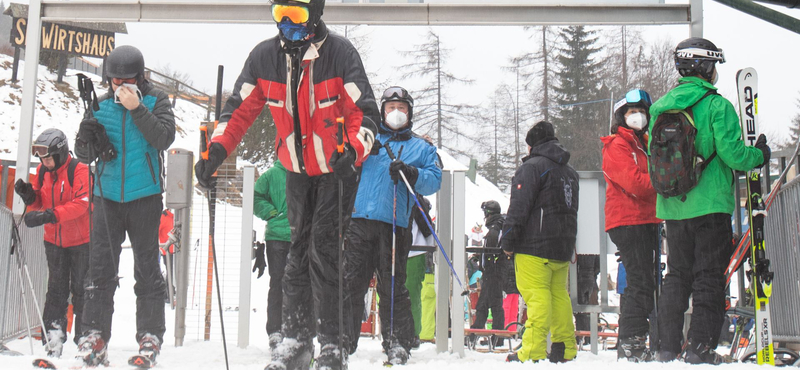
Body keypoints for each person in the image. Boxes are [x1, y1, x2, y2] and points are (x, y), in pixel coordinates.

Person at [193, 1, 380, 368]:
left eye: (294, 15)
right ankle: (296, 340)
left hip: (334, 169)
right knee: (296, 253)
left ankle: (333, 343)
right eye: (279, 14)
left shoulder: (340, 54)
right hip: (295, 170)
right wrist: (216, 152)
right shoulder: (265, 58)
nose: (285, 25)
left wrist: (354, 151)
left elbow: (367, 113)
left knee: (324, 250)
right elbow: (238, 110)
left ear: (314, 15)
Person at [648, 37, 769, 364]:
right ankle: (700, 347)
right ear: (703, 67)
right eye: (713, 65)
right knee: (708, 277)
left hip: (672, 207)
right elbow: (734, 155)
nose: (715, 72)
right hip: (711, 205)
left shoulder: (660, 108)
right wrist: (759, 154)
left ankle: (666, 347)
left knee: (677, 276)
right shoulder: (717, 106)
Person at [74, 45, 176, 365]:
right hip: (106, 198)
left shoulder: (155, 100)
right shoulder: (100, 105)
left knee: (147, 270)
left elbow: (164, 138)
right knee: (101, 269)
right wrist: (84, 137)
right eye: (114, 81)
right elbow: (83, 155)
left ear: (140, 77)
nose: (120, 86)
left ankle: (150, 335)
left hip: (144, 196)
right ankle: (94, 334)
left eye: (127, 80)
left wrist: (136, 109)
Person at [343, 86, 441, 365]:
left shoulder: (421, 148)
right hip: (360, 221)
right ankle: (341, 340)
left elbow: (434, 180)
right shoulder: (368, 140)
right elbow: (341, 162)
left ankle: (397, 342)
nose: (395, 113)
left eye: (402, 108)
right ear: (382, 111)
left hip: (394, 225)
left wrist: (411, 173)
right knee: (351, 283)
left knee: (393, 285)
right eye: (390, 108)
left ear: (409, 113)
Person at [501, 121, 579, 364]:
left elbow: (519, 208)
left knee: (537, 297)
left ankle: (532, 351)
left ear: (531, 145)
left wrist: (508, 240)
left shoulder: (532, 168)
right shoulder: (570, 172)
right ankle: (564, 347)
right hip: (562, 246)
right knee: (559, 297)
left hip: (534, 246)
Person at [14, 129, 91, 358]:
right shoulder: (42, 171)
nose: (44, 162)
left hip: (82, 241)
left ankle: (85, 339)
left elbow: (82, 204)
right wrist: (30, 197)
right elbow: (40, 201)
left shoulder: (80, 170)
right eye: (41, 158)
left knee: (82, 290)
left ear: (59, 153)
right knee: (56, 290)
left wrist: (50, 215)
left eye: (47, 158)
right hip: (54, 241)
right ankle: (53, 339)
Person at [601, 89, 661, 362]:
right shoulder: (617, 145)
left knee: (643, 281)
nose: (638, 116)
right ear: (621, 117)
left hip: (646, 218)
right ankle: (631, 341)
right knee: (639, 281)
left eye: (642, 111)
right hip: (628, 219)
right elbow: (635, 183)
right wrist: (664, 183)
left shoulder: (645, 143)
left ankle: (633, 338)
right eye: (631, 112)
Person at [252, 161, 291, 351]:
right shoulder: (272, 174)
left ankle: (285, 330)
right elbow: (255, 197)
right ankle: (278, 330)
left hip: (293, 236)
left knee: (282, 284)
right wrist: (272, 214)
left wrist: (272, 214)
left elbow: (256, 197)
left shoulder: (304, 171)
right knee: (280, 283)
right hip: (278, 237)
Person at [469, 201, 506, 348]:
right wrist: (480, 255)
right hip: (493, 272)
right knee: (493, 304)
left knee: (485, 304)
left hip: (493, 272)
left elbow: (493, 250)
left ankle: (478, 334)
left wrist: (488, 264)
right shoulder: (496, 227)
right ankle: (495, 336)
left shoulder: (495, 229)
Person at [404, 193, 434, 348]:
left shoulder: (416, 198)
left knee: (412, 294)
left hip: (415, 251)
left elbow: (426, 227)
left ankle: (413, 333)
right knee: (390, 293)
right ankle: (393, 332)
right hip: (395, 249)